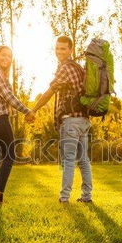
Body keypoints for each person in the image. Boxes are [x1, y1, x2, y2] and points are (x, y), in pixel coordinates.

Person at [32, 36, 92, 203]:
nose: (59, 52)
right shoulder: (78, 68)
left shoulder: (65, 68)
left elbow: (50, 92)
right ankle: (87, 196)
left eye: (63, 49)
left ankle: (64, 198)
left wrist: (34, 109)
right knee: (83, 161)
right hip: (84, 121)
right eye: (57, 48)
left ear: (70, 50)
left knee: (68, 160)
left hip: (71, 121)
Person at [0, 45, 35, 204]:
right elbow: (8, 96)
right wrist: (26, 111)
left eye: (9, 56)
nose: (6, 58)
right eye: (3, 55)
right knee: (10, 155)